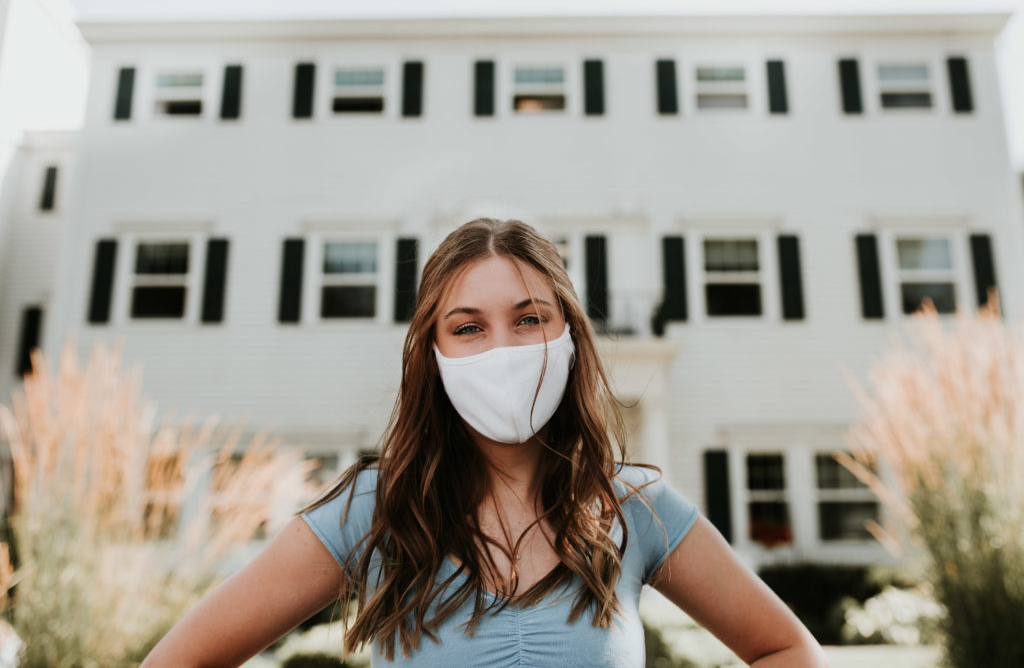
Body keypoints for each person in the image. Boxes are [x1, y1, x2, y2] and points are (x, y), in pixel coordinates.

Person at [141, 218, 827, 667]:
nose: (503, 348)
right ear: (433, 352)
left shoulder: (634, 508)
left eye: (529, 318)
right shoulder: (376, 510)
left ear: (567, 334)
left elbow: (786, 648)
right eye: (468, 327)